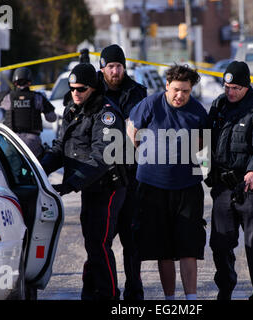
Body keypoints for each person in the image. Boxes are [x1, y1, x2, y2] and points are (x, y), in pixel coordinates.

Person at [40, 63, 127, 300]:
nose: (75, 93)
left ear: (94, 87)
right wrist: (38, 168)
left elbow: (101, 157)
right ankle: (90, 292)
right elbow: (61, 146)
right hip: (89, 187)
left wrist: (69, 184)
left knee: (99, 243)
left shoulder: (106, 114)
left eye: (81, 89)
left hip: (108, 187)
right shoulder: (73, 108)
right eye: (72, 89)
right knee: (92, 242)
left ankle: (108, 295)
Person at [127, 64, 208, 300]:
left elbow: (204, 143)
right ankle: (170, 299)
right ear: (166, 86)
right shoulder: (150, 104)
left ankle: (191, 299)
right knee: (163, 249)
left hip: (187, 188)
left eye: (185, 90)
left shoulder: (197, 111)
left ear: (191, 89)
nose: (179, 95)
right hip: (152, 188)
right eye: (175, 89)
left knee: (188, 248)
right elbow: (132, 131)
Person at [206, 61, 253, 300]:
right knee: (220, 243)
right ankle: (225, 289)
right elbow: (204, 139)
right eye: (227, 86)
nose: (230, 92)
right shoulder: (218, 106)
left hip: (252, 187)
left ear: (247, 86)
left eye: (236, 87)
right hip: (223, 186)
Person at [98, 44, 148, 300]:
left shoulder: (138, 93)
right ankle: (105, 290)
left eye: (119, 66)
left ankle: (134, 290)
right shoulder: (93, 91)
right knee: (100, 240)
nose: (115, 71)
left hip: (132, 175)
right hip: (102, 179)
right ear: (102, 68)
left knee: (132, 238)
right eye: (110, 67)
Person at [0, 67, 56, 159]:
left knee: (12, 168)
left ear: (14, 82)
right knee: (36, 168)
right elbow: (51, 118)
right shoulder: (38, 98)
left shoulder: (8, 97)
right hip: (33, 143)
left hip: (12, 141)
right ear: (29, 82)